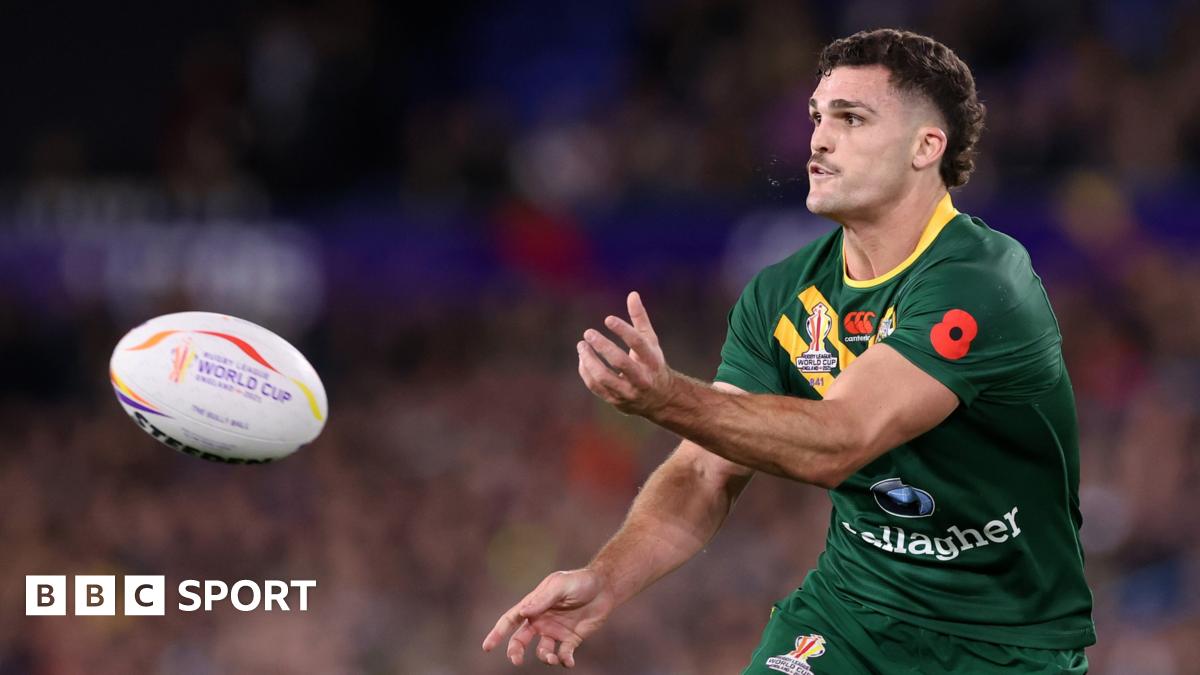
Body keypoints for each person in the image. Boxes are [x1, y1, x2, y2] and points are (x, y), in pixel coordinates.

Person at [482, 28, 1095, 674]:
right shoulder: (782, 297)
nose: (819, 139)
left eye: (851, 118)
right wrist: (607, 577)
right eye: (817, 117)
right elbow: (702, 471)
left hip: (1006, 643)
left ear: (926, 147)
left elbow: (843, 440)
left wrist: (666, 398)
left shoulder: (982, 280)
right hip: (853, 617)